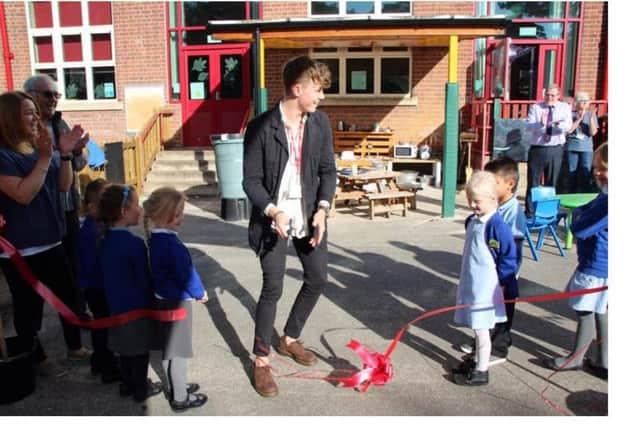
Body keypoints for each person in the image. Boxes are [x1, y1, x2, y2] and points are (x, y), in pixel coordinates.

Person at [242, 55, 336, 397]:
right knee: (273, 287)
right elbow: (250, 181)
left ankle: (289, 337)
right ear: (298, 89)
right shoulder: (261, 127)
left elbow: (328, 171)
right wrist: (272, 211)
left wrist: (323, 208)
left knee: (317, 278)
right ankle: (261, 360)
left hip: (309, 215)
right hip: (273, 220)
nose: (322, 96)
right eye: (318, 89)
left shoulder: (320, 123)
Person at [0, 91, 91, 364]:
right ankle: (32, 357)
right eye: (29, 112)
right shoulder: (4, 155)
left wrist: (63, 155)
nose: (36, 118)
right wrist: (44, 158)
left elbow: (63, 186)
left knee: (70, 297)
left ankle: (74, 346)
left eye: (35, 112)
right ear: (9, 118)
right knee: (28, 307)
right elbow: (22, 194)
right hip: (20, 249)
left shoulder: (36, 146)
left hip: (52, 239)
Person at [24, 74, 91, 319]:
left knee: (74, 265)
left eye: (56, 95)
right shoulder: (20, 131)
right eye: (47, 94)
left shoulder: (60, 124)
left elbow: (79, 164)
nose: (53, 100)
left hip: (67, 208)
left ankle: (78, 314)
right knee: (38, 279)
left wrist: (76, 152)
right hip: (39, 213)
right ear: (30, 94)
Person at [543, 143, 608, 379]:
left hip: (596, 265)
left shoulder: (609, 202)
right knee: (600, 310)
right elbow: (586, 209)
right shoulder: (606, 195)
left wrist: (580, 216)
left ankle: (576, 358)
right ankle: (604, 359)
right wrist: (584, 212)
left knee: (585, 310)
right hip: (602, 264)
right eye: (595, 168)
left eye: (603, 168)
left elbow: (579, 227)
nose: (597, 173)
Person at [143, 187, 209, 412]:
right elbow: (186, 274)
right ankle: (180, 397)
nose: (181, 218)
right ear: (161, 215)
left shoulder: (155, 239)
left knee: (167, 349)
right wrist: (200, 292)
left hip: (161, 300)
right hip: (177, 303)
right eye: (177, 214)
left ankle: (174, 385)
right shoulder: (171, 245)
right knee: (178, 352)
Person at [451, 171, 518, 386]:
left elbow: (509, 258)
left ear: (493, 199)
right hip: (472, 282)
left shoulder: (498, 227)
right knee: (476, 326)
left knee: (482, 330)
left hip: (486, 287)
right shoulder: (473, 220)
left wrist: (505, 283)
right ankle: (476, 360)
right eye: (470, 200)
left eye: (477, 201)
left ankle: (482, 369)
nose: (473, 206)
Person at [459, 156, 527, 364]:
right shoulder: (485, 210)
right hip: (488, 274)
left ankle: (498, 348)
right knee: (485, 310)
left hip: (504, 274)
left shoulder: (512, 213)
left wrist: (505, 277)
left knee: (503, 311)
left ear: (509, 185)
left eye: (493, 182)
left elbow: (510, 249)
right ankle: (483, 342)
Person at [99, 184, 162, 402]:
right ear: (124, 212)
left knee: (124, 350)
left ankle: (126, 384)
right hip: (136, 308)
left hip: (115, 307)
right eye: (136, 205)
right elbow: (144, 279)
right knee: (139, 351)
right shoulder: (134, 244)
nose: (140, 209)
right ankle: (140, 388)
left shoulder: (105, 241)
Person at [76, 178, 120, 383]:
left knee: (101, 325)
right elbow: (98, 264)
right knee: (104, 327)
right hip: (98, 286)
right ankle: (107, 368)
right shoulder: (93, 232)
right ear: (93, 206)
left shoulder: (96, 226)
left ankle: (98, 362)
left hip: (94, 285)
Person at [525, 83, 572, 214]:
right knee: (533, 181)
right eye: (547, 95)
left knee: (552, 181)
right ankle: (530, 211)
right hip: (538, 148)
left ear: (558, 96)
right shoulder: (536, 107)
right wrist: (541, 124)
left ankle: (548, 211)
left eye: (552, 95)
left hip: (555, 148)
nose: (549, 97)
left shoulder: (564, 107)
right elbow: (529, 126)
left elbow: (568, 126)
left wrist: (557, 124)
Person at [565, 92, 599, 193]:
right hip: (572, 146)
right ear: (577, 103)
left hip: (586, 148)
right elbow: (569, 130)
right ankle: (571, 194)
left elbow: (593, 132)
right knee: (571, 173)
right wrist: (580, 118)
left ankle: (585, 195)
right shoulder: (570, 114)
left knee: (586, 172)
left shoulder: (591, 115)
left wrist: (592, 119)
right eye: (582, 101)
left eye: (586, 101)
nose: (584, 103)